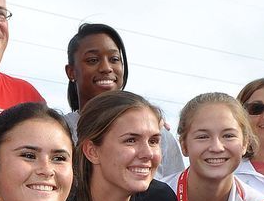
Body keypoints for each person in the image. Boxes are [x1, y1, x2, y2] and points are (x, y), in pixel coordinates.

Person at [63, 23, 183, 178]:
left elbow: (176, 189)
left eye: (114, 59)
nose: (106, 68)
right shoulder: (59, 131)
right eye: (92, 60)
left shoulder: (157, 132)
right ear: (71, 72)